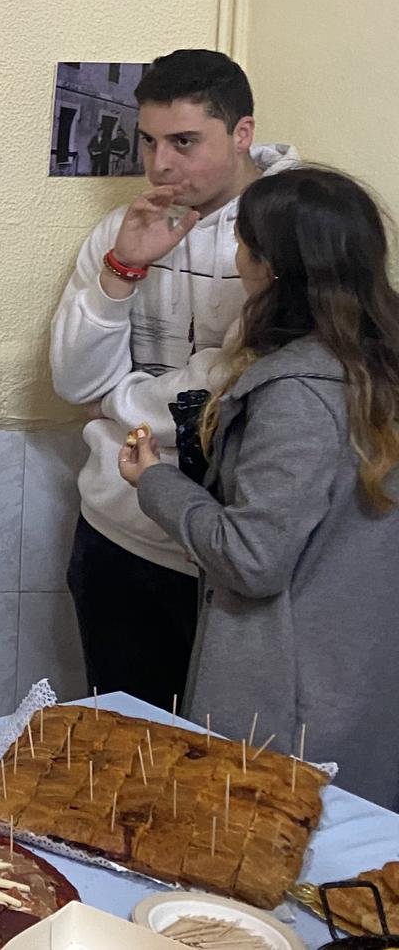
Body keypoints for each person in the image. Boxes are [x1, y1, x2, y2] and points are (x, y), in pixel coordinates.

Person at [120, 167, 399, 807]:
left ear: (270, 266)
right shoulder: (376, 370)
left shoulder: (300, 393)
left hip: (292, 706)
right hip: (364, 690)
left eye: (244, 245)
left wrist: (155, 481)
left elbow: (253, 558)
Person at [50, 50, 298, 707]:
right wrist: (121, 272)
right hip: (117, 533)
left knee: (227, 775)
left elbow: (231, 402)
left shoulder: (294, 229)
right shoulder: (123, 228)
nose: (159, 164)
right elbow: (74, 382)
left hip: (230, 548)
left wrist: (122, 401)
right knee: (123, 759)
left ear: (242, 134)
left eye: (184, 142)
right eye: (150, 141)